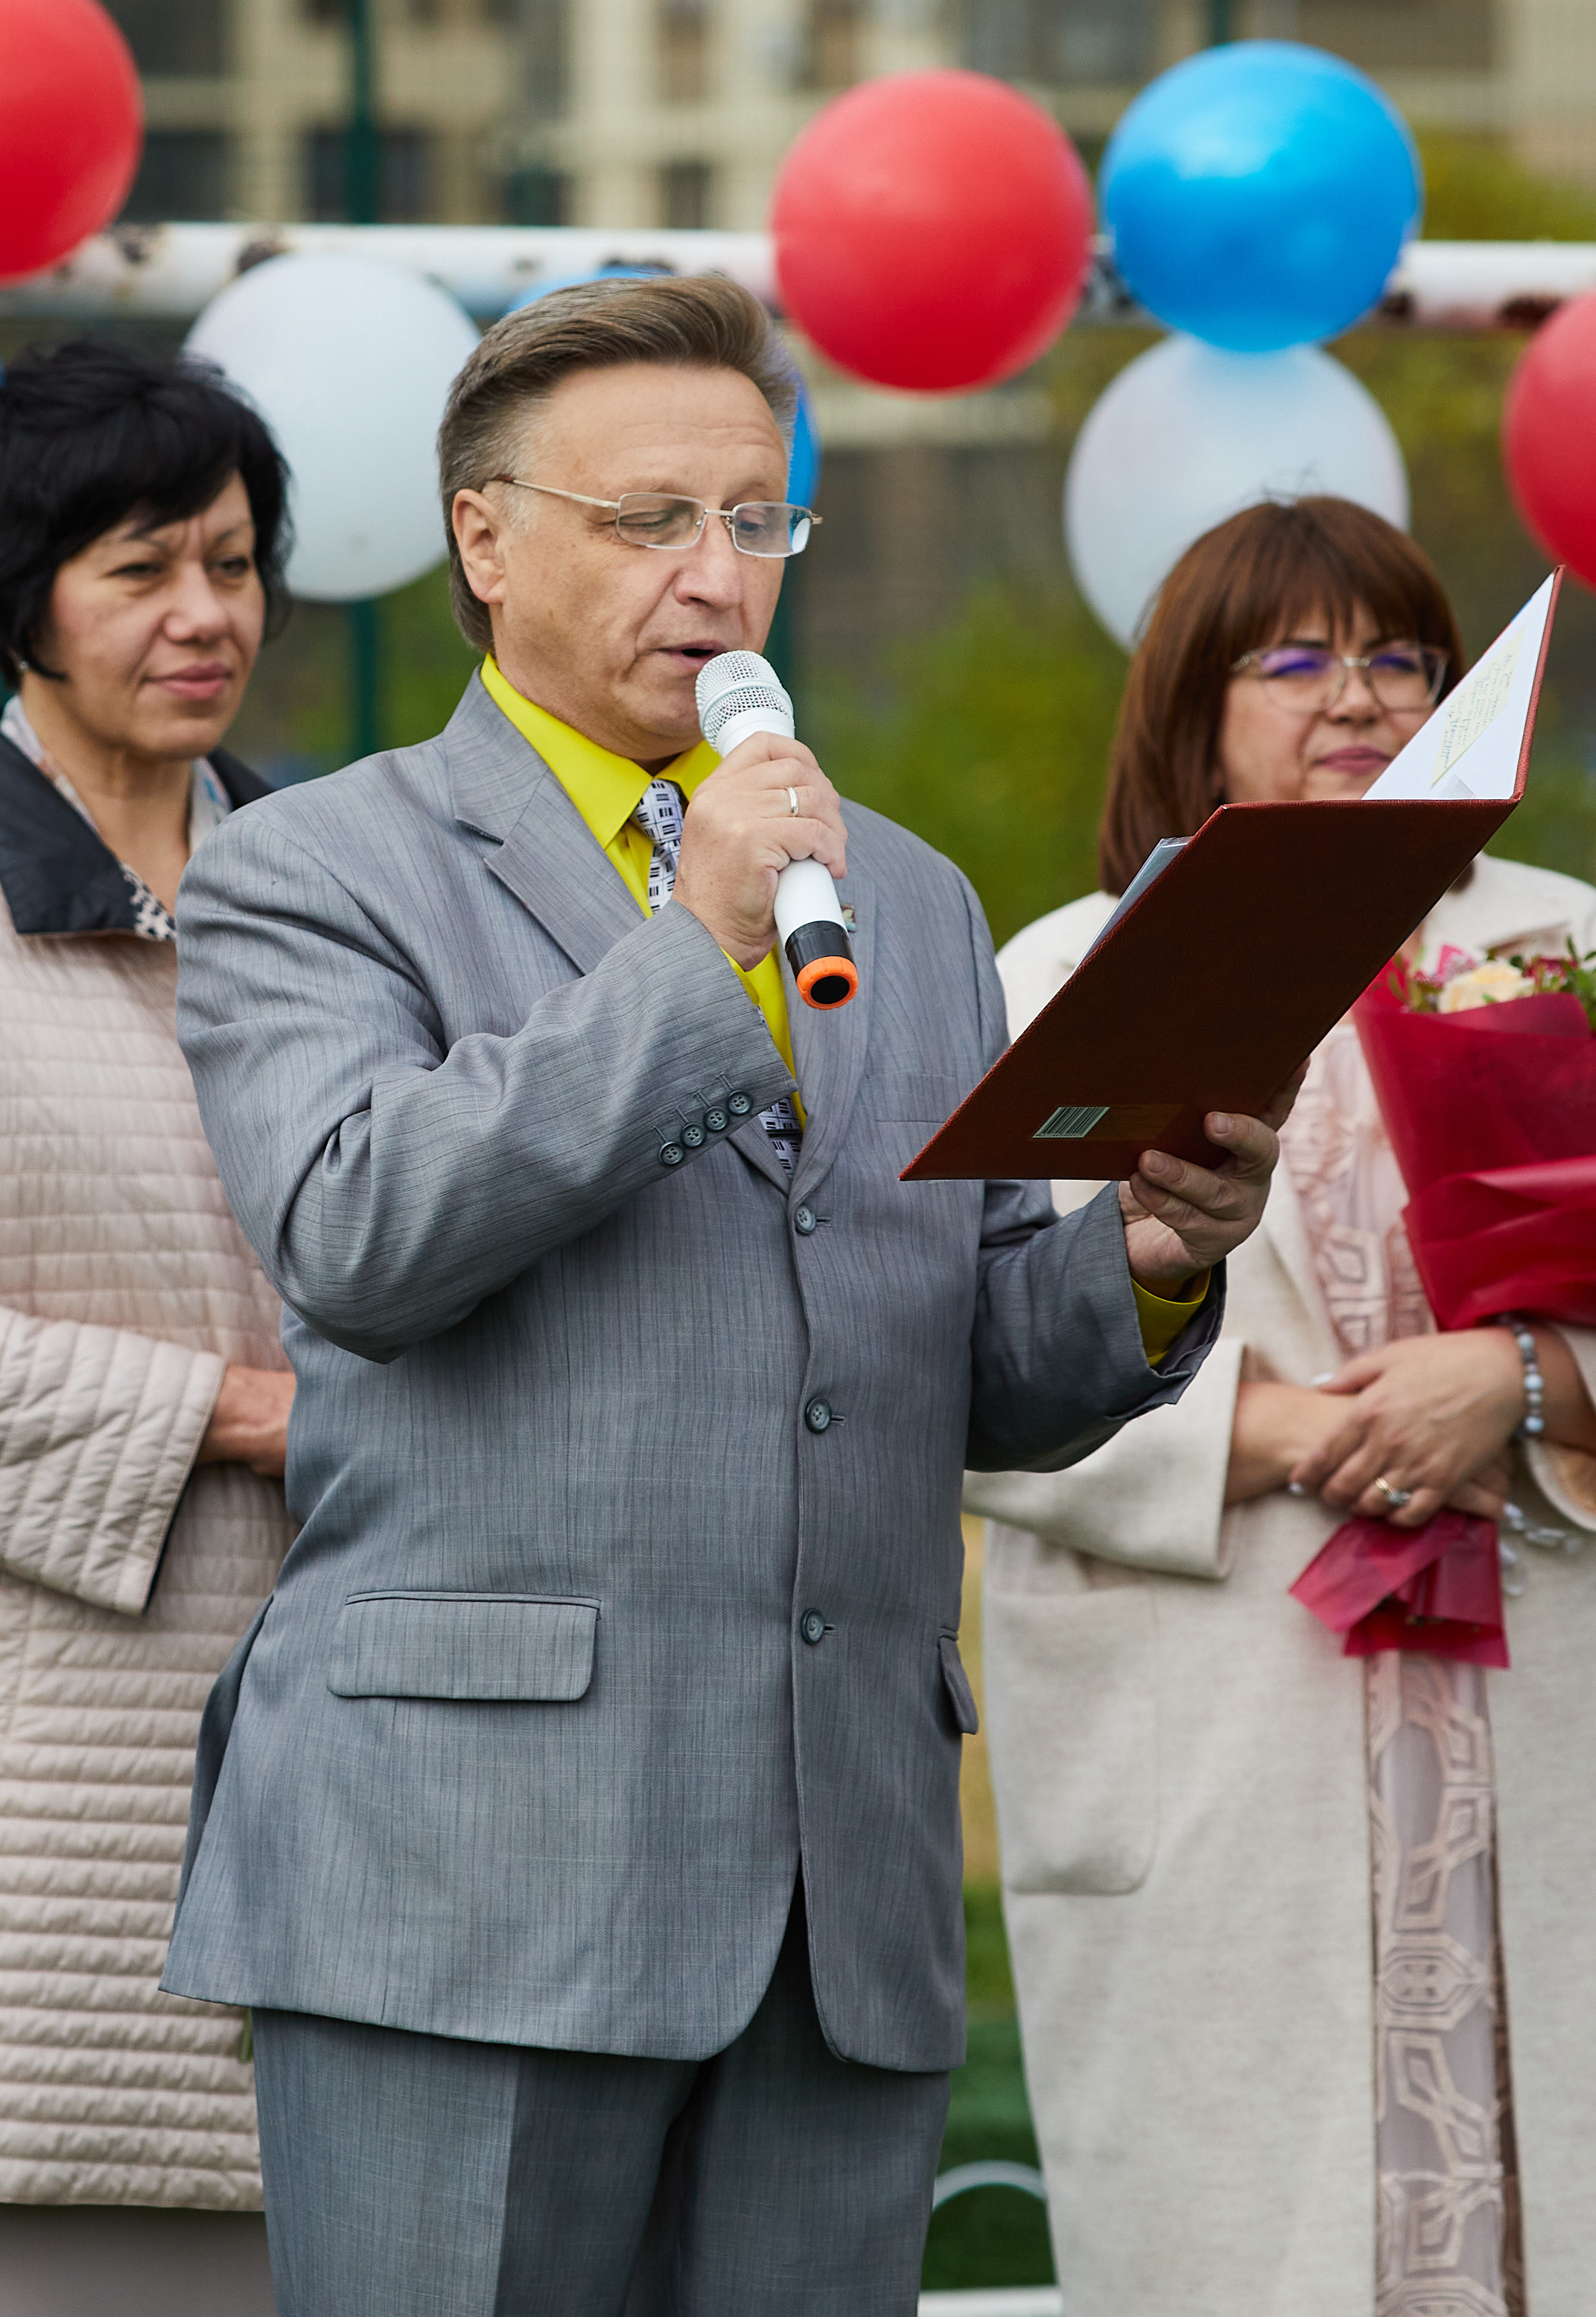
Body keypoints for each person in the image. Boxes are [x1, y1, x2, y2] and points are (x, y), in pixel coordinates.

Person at [160, 275, 1287, 2317]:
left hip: (830, 1885)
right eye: (648, 520)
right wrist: (694, 946)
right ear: (483, 541)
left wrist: (1140, 1254)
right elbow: (359, 1232)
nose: (716, 575)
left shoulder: (910, 896)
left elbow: (945, 1361)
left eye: (756, 520)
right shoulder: (314, 867)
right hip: (469, 1879)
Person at [970, 496, 1596, 2317]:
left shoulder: (1562, 950)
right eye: (1299, 658)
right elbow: (947, 1358)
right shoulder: (1064, 967)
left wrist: (1528, 1381)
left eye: (1402, 656)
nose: (1362, 696)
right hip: (1220, 1731)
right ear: (1193, 699)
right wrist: (1276, 1431)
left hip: (1539, 1707)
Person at [0, 341, 298, 2317]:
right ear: (18, 594)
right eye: (142, 568)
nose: (206, 613)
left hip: (361, 1779)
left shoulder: (338, 888)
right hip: (29, 1825)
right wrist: (238, 1411)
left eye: (231, 559)